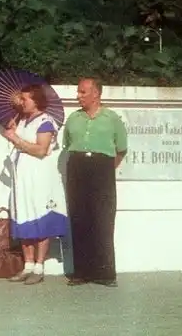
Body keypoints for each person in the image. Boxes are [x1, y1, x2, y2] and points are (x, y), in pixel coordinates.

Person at [62, 78, 128, 287]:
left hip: (102, 167)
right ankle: (81, 272)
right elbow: (67, 143)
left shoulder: (111, 118)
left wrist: (105, 168)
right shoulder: (73, 118)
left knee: (103, 218)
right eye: (78, 92)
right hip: (77, 166)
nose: (78, 96)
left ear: (96, 93)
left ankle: (105, 273)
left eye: (83, 92)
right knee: (79, 217)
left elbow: (121, 148)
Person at [2, 84, 68, 285]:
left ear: (36, 100)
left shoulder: (46, 122)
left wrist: (16, 139)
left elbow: (41, 150)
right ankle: (28, 265)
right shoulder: (22, 121)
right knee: (24, 215)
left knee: (40, 216)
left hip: (38, 177)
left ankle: (39, 266)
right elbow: (21, 143)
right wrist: (14, 133)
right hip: (22, 177)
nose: (22, 102)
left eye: (25, 99)